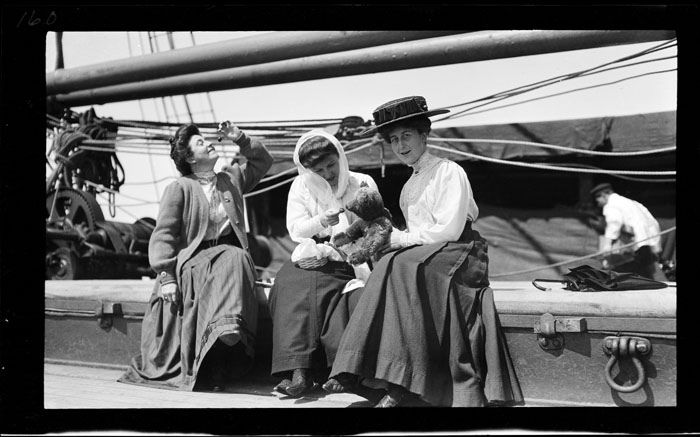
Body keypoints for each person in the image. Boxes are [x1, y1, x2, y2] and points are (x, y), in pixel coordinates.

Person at [328, 96, 524, 407]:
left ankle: (404, 384)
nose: (400, 145)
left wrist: (401, 240)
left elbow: (449, 231)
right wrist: (392, 241)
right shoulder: (409, 186)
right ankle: (362, 369)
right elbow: (415, 236)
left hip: (461, 251)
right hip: (426, 252)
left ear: (424, 135)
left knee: (403, 265)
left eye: (407, 135)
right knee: (391, 263)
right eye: (394, 139)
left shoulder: (449, 171)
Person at [118, 121, 273, 391]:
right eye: (200, 143)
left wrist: (239, 137)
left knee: (235, 257)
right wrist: (166, 276)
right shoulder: (180, 188)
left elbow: (263, 161)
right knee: (235, 257)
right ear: (190, 158)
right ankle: (221, 346)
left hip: (226, 260)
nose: (209, 143)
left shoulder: (231, 179)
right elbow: (164, 234)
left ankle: (220, 351)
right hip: (193, 262)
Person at [267, 129, 380, 398]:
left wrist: (344, 239)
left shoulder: (362, 182)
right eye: (318, 170)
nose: (328, 173)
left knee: (320, 284)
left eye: (331, 165)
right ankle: (298, 370)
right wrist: (321, 222)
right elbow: (296, 229)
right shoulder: (301, 186)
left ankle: (327, 369)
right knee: (288, 281)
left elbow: (374, 225)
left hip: (350, 256)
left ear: (340, 156)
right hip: (311, 252)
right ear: (307, 170)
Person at [590, 182, 664, 280]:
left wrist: (607, 245)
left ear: (604, 195)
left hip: (640, 240)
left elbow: (614, 223)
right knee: (649, 266)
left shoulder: (611, 205)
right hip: (647, 238)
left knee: (647, 267)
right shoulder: (628, 202)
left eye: (597, 197)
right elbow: (651, 222)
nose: (597, 201)